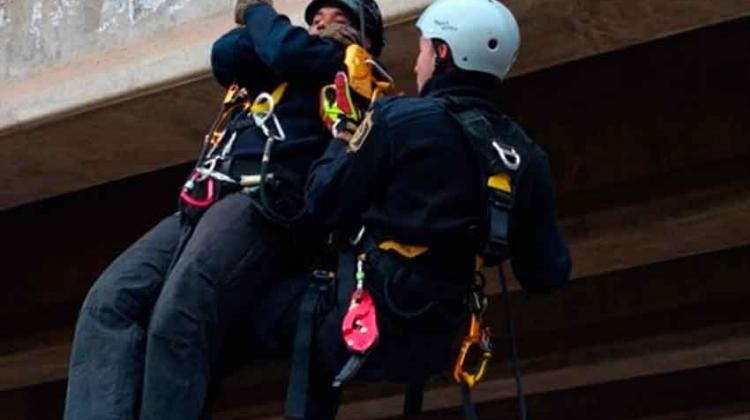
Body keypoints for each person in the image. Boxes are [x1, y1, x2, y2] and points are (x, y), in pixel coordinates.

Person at [63, 1, 384, 420]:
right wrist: (260, 25)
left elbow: (285, 49)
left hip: (260, 205)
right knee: (110, 302)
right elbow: (225, 55)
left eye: (334, 16)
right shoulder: (279, 68)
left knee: (180, 310)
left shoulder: (344, 64)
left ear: (365, 35)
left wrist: (256, 10)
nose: (319, 22)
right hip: (203, 205)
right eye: (315, 17)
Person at [252, 0, 572, 418]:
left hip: (357, 330)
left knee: (251, 307)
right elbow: (545, 274)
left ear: (442, 52)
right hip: (438, 345)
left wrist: (346, 128)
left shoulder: (399, 119)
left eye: (422, 49)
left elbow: (322, 201)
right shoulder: (524, 156)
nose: (417, 63)